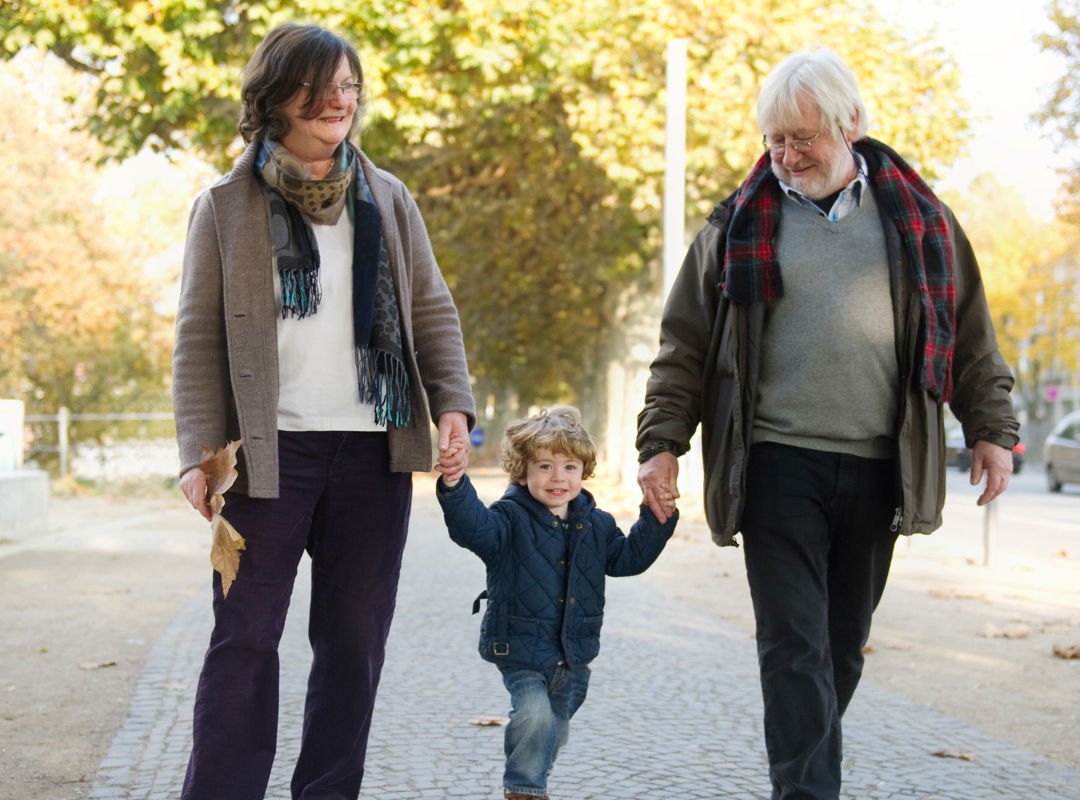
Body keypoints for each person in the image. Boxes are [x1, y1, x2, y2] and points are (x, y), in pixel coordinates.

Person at [635, 46, 1019, 800]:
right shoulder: (735, 225)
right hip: (776, 463)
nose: (786, 155)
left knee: (840, 651)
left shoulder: (920, 220)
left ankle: (800, 771)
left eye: (802, 138)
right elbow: (682, 345)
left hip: (879, 466)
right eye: (775, 140)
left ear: (849, 125)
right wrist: (661, 442)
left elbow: (971, 334)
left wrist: (992, 427)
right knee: (793, 645)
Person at [171, 23, 475, 800]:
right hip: (266, 461)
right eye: (322, 87)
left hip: (375, 456)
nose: (341, 100)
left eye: (350, 86)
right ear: (278, 99)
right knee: (243, 641)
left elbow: (431, 313)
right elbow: (197, 340)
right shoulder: (224, 206)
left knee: (353, 645)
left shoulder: (389, 197)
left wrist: (452, 408)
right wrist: (198, 454)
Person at [437, 407, 677, 800]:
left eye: (569, 467)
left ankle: (536, 771)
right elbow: (472, 527)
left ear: (584, 472)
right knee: (534, 717)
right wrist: (454, 483)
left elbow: (628, 559)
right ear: (522, 471)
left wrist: (656, 518)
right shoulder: (509, 519)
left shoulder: (597, 524)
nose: (558, 477)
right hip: (520, 646)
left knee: (556, 729)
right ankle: (524, 789)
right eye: (545, 466)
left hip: (574, 652)